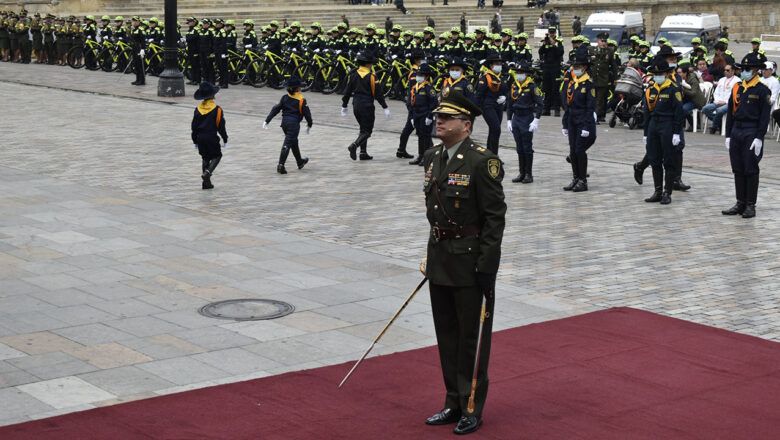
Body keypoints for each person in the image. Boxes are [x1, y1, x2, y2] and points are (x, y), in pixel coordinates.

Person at [422, 90, 505, 436]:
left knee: (471, 338)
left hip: (471, 264)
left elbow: (494, 218)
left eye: (447, 118)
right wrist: (430, 257)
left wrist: (487, 267)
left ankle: (472, 406)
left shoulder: (481, 161)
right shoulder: (432, 156)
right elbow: (434, 215)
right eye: (438, 116)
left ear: (466, 126)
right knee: (446, 335)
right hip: (441, 260)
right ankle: (452, 401)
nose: (439, 121)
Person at [722, 53, 771, 218]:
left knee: (750, 168)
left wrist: (759, 137)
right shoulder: (737, 87)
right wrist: (728, 134)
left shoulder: (763, 90)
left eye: (748, 69)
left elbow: (764, 117)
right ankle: (740, 202)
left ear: (756, 70)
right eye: (742, 69)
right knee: (737, 168)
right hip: (737, 129)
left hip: (751, 131)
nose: (744, 72)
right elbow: (730, 112)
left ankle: (750, 204)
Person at [642, 57, 684, 205]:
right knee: (654, 159)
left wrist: (677, 132)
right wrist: (646, 133)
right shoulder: (651, 88)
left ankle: (667, 192)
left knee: (669, 160)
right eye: (655, 74)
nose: (657, 76)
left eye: (660, 73)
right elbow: (646, 111)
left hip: (668, 125)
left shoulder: (673, 88)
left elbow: (679, 112)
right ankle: (657, 191)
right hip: (654, 124)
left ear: (666, 73)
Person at [341, 51, 391, 161]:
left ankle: (363, 153)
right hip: (367, 105)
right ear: (368, 64)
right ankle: (354, 145)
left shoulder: (353, 74)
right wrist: (385, 106)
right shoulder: (372, 76)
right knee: (367, 131)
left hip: (356, 104)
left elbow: (347, 91)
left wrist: (344, 105)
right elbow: (378, 93)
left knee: (363, 128)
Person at [560, 45, 596, 192]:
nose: (575, 69)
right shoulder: (572, 83)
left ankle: (583, 180)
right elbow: (568, 105)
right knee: (573, 150)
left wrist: (587, 126)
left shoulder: (588, 84)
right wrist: (565, 123)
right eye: (574, 66)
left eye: (579, 66)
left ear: (585, 67)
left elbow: (590, 107)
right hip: (572, 120)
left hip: (583, 120)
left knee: (580, 150)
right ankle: (575, 178)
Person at [263, 77, 312, 174]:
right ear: (297, 88)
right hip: (294, 125)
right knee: (288, 143)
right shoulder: (301, 100)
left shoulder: (285, 97)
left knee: (294, 142)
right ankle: (281, 165)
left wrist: (267, 120)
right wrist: (309, 124)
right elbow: (307, 114)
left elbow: (276, 109)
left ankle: (299, 162)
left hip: (284, 124)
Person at [507, 61, 543, 183]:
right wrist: (508, 120)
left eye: (521, 73)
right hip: (516, 118)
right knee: (519, 147)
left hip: (527, 117)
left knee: (527, 147)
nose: (519, 75)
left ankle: (529, 174)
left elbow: (540, 103)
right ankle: (521, 173)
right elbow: (510, 103)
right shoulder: (514, 86)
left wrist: (536, 120)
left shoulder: (532, 86)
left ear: (527, 74)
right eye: (517, 73)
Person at [191, 82, 229, 190]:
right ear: (212, 95)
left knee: (205, 158)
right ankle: (207, 173)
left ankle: (206, 183)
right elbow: (221, 126)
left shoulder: (197, 109)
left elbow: (193, 126)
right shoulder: (217, 110)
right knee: (217, 156)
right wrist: (225, 138)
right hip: (211, 137)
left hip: (200, 137)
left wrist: (194, 140)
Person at [475, 51, 507, 154]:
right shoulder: (485, 77)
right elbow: (479, 94)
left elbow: (508, 90)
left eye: (500, 63)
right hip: (488, 106)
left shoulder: (502, 77)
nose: (499, 66)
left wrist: (505, 97)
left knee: (494, 130)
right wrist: (476, 109)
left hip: (499, 106)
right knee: (496, 128)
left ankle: (490, 153)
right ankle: (493, 155)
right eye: (496, 64)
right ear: (490, 65)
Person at [408, 64, 438, 165]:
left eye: (421, 75)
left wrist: (430, 116)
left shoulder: (429, 88)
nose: (418, 77)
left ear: (426, 77)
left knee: (426, 137)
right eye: (418, 74)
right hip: (417, 115)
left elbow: (434, 103)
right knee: (420, 136)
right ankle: (420, 155)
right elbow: (411, 103)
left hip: (425, 115)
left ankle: (427, 157)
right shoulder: (414, 88)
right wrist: (412, 116)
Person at [702, 64, 741, 134]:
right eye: (725, 70)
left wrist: (725, 102)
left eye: (728, 70)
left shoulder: (737, 81)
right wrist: (717, 100)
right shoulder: (721, 79)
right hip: (718, 101)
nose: (725, 72)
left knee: (719, 111)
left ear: (733, 71)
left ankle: (714, 127)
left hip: (729, 103)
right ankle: (719, 123)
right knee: (705, 109)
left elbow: (735, 95)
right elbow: (716, 92)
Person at [539, 26, 564, 116]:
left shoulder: (559, 42)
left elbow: (560, 52)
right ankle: (546, 109)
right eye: (550, 32)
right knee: (547, 89)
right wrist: (544, 44)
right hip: (547, 67)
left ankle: (557, 110)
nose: (552, 34)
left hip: (555, 68)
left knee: (555, 89)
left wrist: (554, 44)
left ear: (555, 33)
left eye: (553, 32)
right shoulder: (546, 41)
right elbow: (540, 52)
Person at [129, 16, 146, 85]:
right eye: (133, 21)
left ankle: (142, 80)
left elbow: (143, 41)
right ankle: (137, 79)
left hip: (139, 48)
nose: (134, 22)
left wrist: (143, 49)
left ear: (139, 22)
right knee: (136, 64)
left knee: (140, 65)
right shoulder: (133, 30)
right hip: (134, 48)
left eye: (136, 21)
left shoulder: (140, 30)